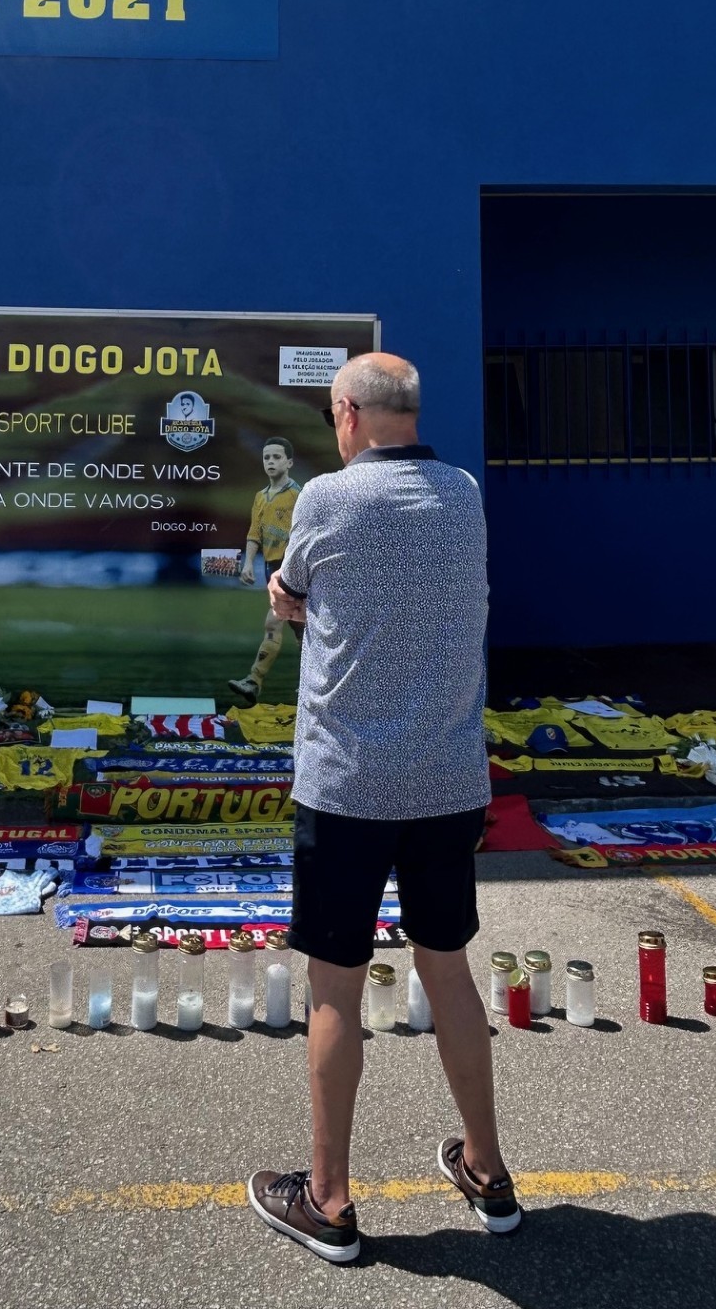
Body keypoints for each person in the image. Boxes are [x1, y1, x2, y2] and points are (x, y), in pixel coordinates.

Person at [246, 352, 519, 1261]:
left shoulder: (327, 498)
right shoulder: (466, 494)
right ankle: (486, 1166)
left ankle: (327, 1199)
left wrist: (290, 602)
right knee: (449, 971)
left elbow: (293, 591)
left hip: (350, 783)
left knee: (335, 988)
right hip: (446, 782)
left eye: (333, 415)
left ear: (349, 414)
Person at [228, 436, 301, 701]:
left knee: (273, 623)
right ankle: (310, 686)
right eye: (266, 457)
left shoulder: (298, 496)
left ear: (289, 462)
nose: (270, 462)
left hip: (292, 570)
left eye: (277, 457)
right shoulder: (261, 497)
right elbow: (254, 534)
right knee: (301, 631)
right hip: (271, 568)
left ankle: (253, 680)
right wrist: (248, 563)